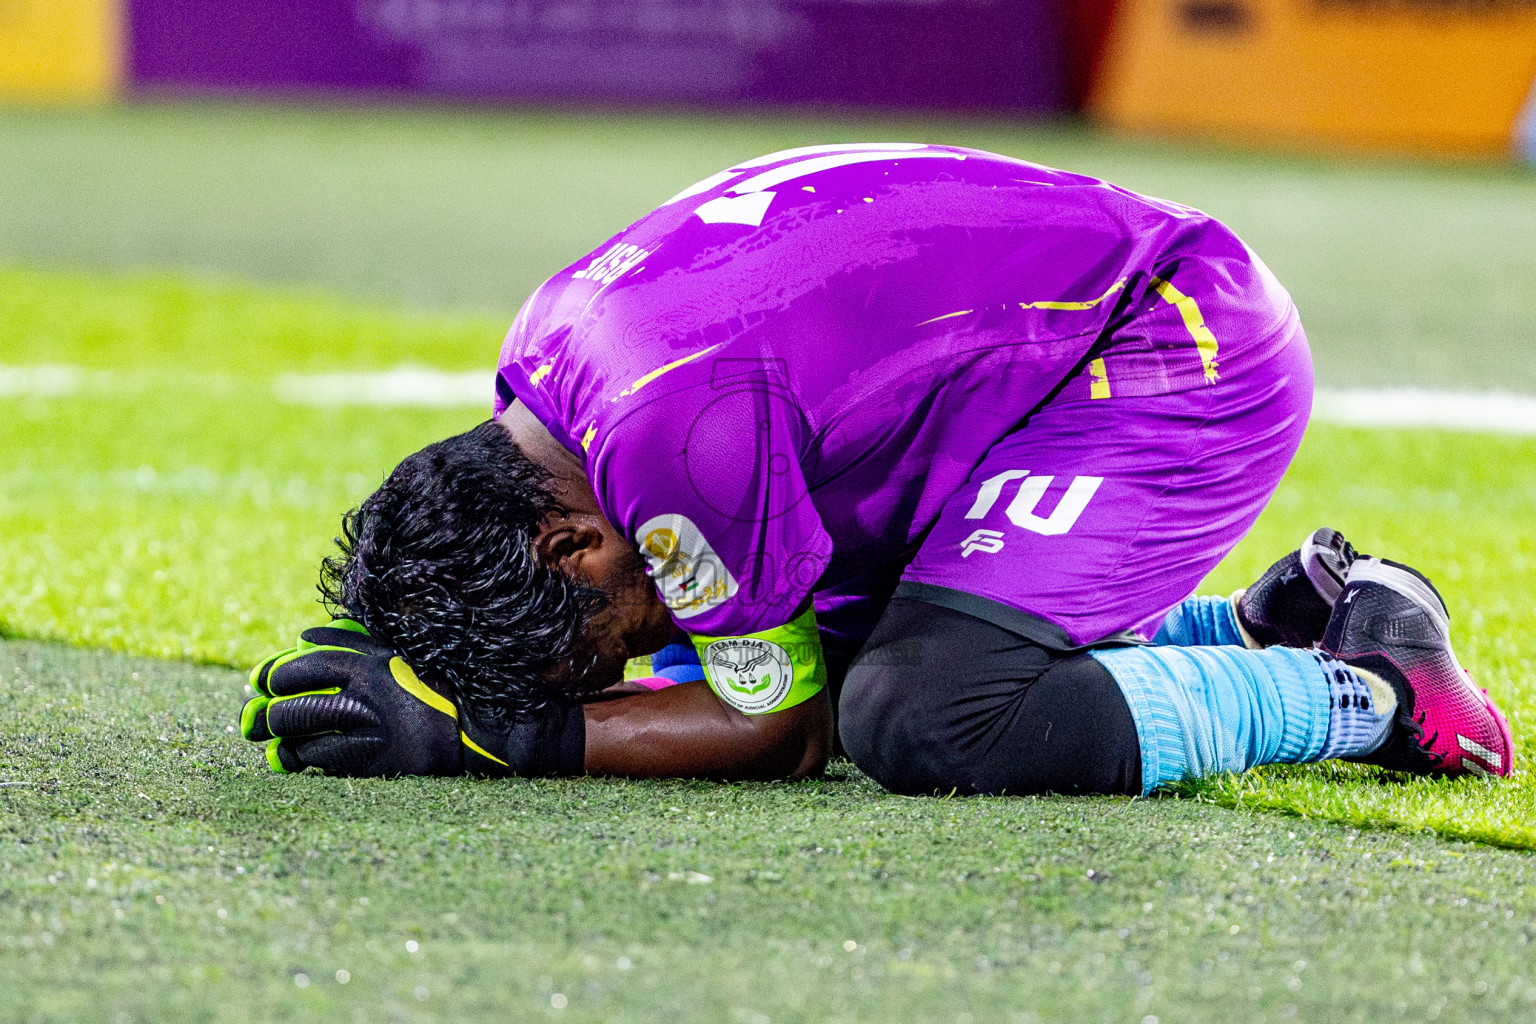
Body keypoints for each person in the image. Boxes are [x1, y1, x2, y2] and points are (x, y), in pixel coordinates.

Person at [239, 144, 1513, 794]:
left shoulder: (667, 442)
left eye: (600, 645)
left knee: (921, 711)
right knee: (780, 649)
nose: (630, 666)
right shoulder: (551, 366)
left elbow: (779, 733)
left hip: (1178, 341)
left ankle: (1370, 691)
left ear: (570, 546)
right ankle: (1259, 622)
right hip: (1060, 342)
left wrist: (507, 738)